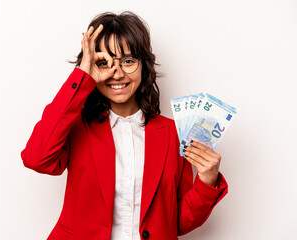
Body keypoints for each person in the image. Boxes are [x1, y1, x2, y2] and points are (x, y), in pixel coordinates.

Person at [21, 11, 228, 240]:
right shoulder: (77, 127)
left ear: (144, 65)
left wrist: (207, 182)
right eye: (104, 62)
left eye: (128, 61)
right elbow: (36, 158)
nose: (117, 73)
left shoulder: (172, 134)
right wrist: (81, 77)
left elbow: (176, 222)